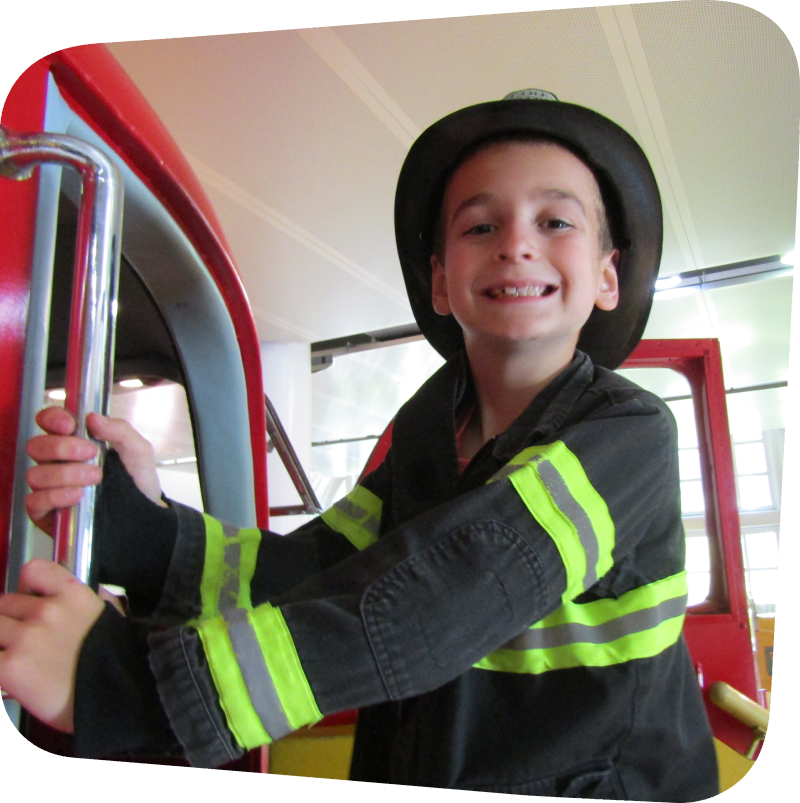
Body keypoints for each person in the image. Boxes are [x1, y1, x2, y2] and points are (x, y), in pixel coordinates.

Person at [2, 91, 718, 800]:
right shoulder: (427, 436)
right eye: (480, 226)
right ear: (440, 281)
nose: (516, 244)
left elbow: (451, 591)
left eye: (555, 221)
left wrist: (131, 688)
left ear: (607, 276)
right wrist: (143, 533)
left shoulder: (628, 435)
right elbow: (311, 574)